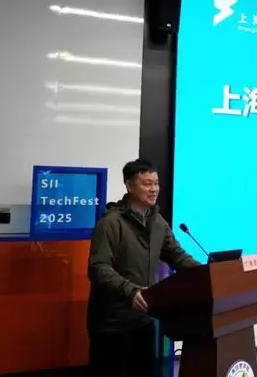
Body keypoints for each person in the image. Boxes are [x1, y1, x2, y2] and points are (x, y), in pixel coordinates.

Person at [86, 158, 200, 377]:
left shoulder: (157, 222)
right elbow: (98, 267)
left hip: (143, 319)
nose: (154, 189)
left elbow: (177, 257)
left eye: (156, 183)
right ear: (130, 186)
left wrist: (208, 272)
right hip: (112, 323)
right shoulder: (111, 223)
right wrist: (130, 291)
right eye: (147, 183)